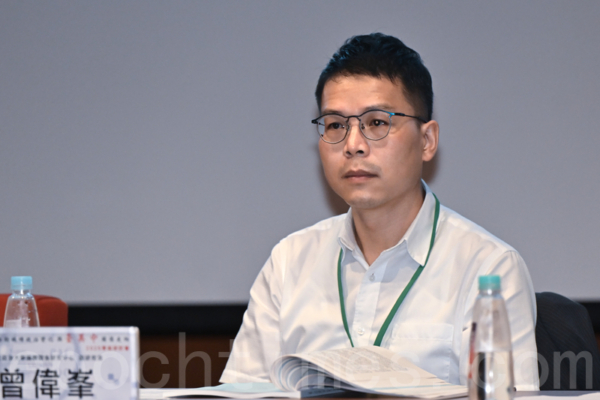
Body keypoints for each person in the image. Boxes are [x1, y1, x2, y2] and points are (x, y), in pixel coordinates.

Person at [220, 33, 539, 390]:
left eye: (376, 122)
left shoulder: (489, 269)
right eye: (336, 125)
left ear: (427, 141)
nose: (353, 145)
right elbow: (239, 393)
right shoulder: (289, 262)